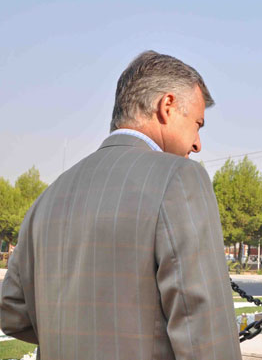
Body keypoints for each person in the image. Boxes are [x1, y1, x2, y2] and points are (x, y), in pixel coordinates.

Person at [0, 51, 242, 360]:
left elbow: (12, 313)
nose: (197, 143)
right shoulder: (180, 178)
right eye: (197, 124)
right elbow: (206, 337)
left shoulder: (48, 198)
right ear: (166, 106)